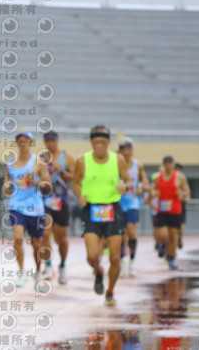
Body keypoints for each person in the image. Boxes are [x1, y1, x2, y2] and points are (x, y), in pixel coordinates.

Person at [72, 125, 131, 306]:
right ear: (91, 142)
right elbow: (75, 183)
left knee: (115, 257)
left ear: (108, 142)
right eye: (96, 142)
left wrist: (125, 187)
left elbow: (128, 181)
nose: (99, 146)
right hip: (91, 210)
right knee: (92, 256)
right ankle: (98, 270)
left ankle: (110, 291)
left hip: (113, 209)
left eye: (103, 142)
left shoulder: (118, 159)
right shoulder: (82, 161)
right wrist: (79, 196)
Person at [3, 130, 52, 291]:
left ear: (31, 143)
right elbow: (6, 185)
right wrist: (7, 187)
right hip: (16, 207)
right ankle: (21, 272)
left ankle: (37, 272)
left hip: (35, 209)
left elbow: (48, 184)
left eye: (26, 141)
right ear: (17, 144)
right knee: (18, 238)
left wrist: (34, 181)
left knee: (37, 244)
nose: (23, 144)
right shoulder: (10, 163)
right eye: (20, 141)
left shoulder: (37, 162)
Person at [39, 130, 75, 284]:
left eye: (52, 140)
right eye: (47, 141)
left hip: (62, 201)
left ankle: (62, 265)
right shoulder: (41, 158)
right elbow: (37, 176)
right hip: (45, 201)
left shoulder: (67, 157)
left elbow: (75, 177)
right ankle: (48, 266)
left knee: (62, 238)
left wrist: (61, 171)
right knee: (45, 234)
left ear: (57, 140)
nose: (50, 143)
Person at [117, 137, 149, 277]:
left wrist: (141, 187)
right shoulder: (115, 165)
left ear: (132, 150)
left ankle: (132, 262)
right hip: (118, 202)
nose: (126, 152)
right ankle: (121, 261)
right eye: (123, 149)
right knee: (120, 234)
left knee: (131, 231)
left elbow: (145, 183)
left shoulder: (138, 165)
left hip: (133, 202)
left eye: (128, 149)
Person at [154, 156, 191, 270]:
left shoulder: (180, 177)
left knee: (173, 236)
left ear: (173, 164)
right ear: (163, 164)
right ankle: (162, 244)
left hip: (175, 210)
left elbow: (187, 193)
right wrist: (154, 193)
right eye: (166, 163)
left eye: (170, 163)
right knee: (163, 234)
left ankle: (171, 258)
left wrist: (182, 195)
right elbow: (154, 190)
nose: (168, 165)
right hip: (162, 210)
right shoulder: (158, 177)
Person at [175, 163, 187, 249]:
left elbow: (187, 194)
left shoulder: (182, 180)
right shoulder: (170, 178)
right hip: (171, 206)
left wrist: (182, 195)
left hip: (181, 205)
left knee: (181, 225)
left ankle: (179, 237)